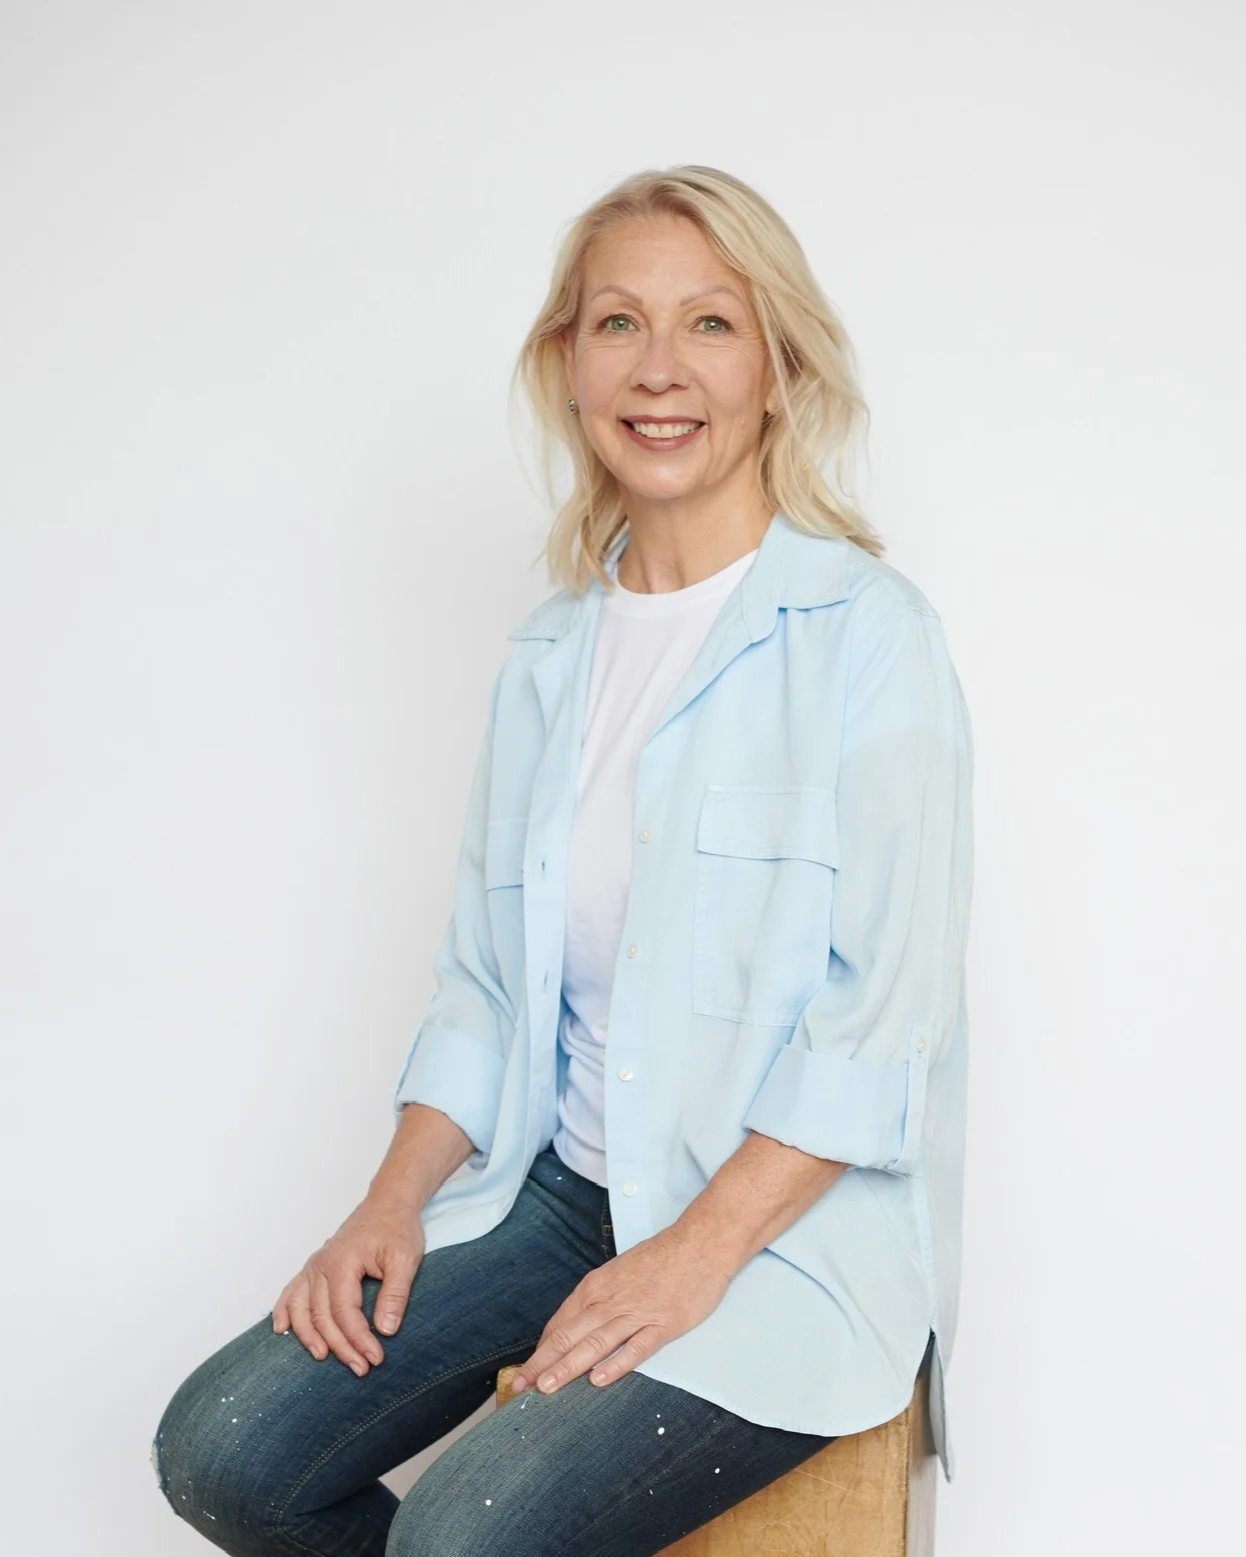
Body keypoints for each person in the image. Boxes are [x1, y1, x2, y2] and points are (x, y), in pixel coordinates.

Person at [151, 164, 974, 1557]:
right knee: (224, 1452)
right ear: (568, 364)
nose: (660, 369)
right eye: (618, 323)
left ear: (778, 368)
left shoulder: (867, 637)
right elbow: (484, 985)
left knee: (462, 1538)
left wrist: (689, 1259)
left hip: (780, 1242)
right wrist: (389, 1203)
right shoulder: (547, 655)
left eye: (711, 323)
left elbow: (877, 1027)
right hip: (556, 1199)